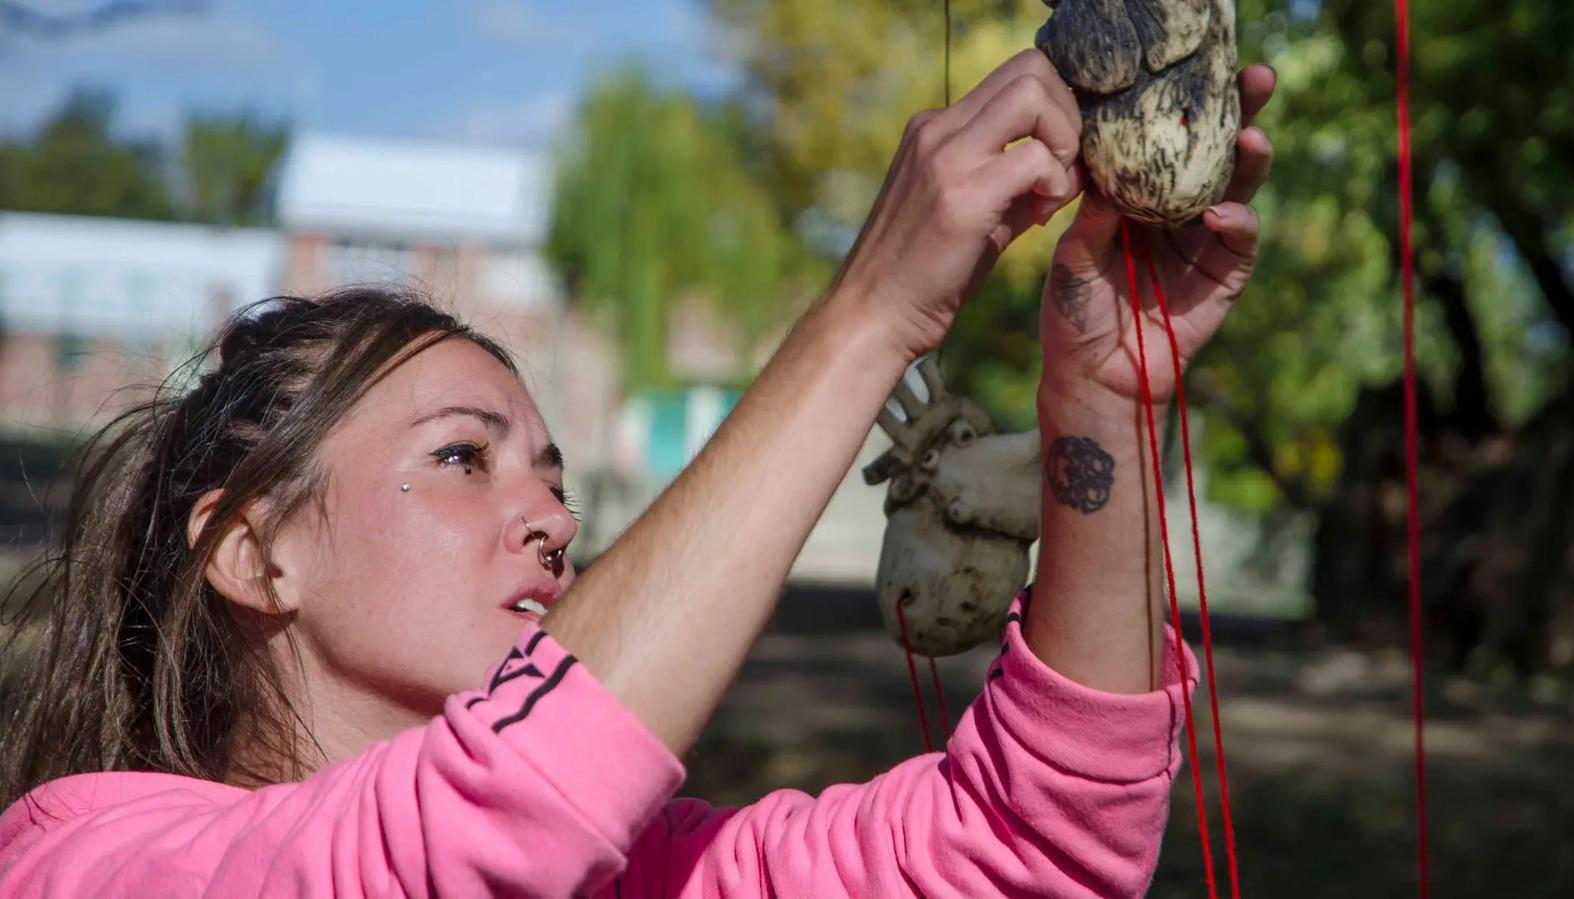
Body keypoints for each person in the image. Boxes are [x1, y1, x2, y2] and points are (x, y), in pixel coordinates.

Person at [0, 51, 1275, 897]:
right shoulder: (99, 858)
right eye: (462, 457)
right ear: (252, 550)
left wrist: (1102, 400)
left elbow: (1024, 852)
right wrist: (868, 313)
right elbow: (475, 820)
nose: (552, 516)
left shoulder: (635, 871)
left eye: (551, 472)